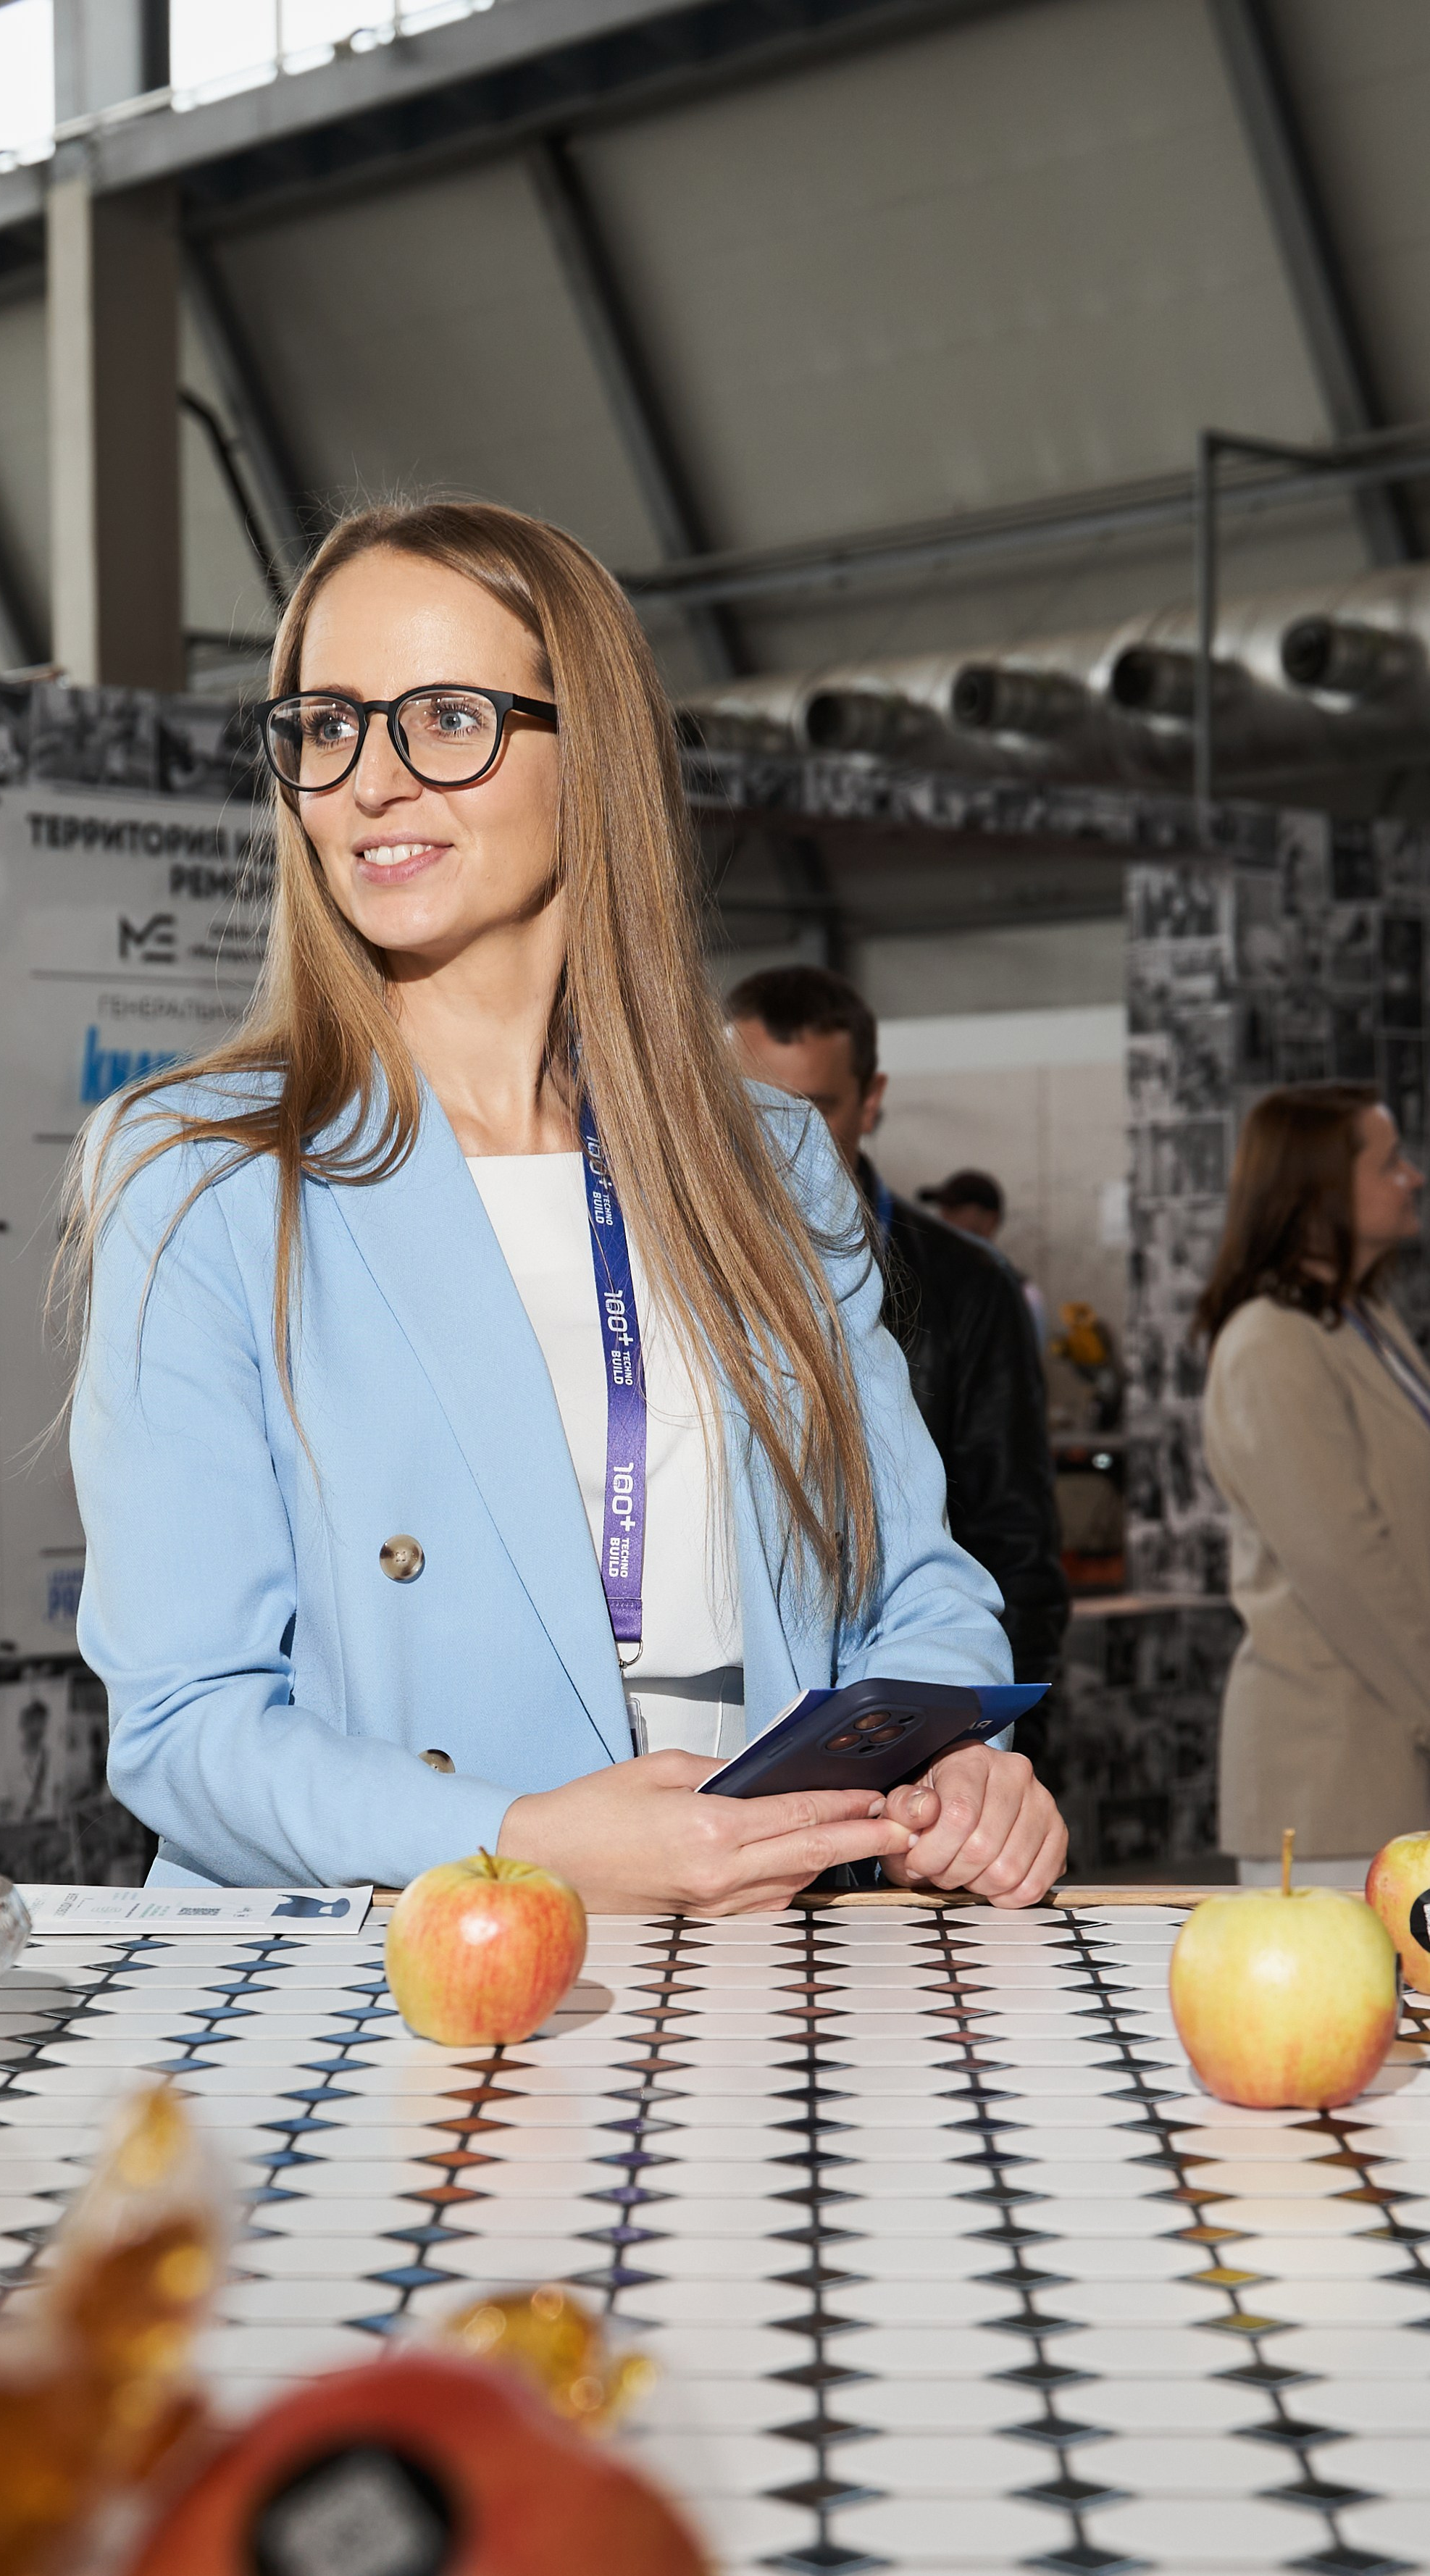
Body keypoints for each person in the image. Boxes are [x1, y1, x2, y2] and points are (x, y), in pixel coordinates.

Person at [68, 501, 1067, 1912]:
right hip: (396, 1981)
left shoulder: (771, 1160)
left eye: (447, 718)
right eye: (327, 724)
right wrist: (519, 1839)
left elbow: (910, 1581)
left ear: (587, 751)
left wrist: (955, 1755)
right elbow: (186, 1729)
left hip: (754, 1962)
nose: (370, 780)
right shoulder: (204, 1175)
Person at [726, 968, 1068, 1709]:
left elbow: (1014, 1537)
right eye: (750, 1102)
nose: (777, 1131)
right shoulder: (678, 1266)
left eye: (812, 1106)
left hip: (923, 1698)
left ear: (870, 1099)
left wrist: (986, 1732)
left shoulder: (967, 1284)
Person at [1197, 1083, 1430, 1881]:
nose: (1412, 1177)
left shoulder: (1362, 1320)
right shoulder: (1269, 1342)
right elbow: (1344, 1566)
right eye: (1389, 1163)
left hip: (1388, 1746)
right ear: (1319, 1185)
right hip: (1329, 1774)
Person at [919, 1166, 1049, 1349]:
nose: (943, 1217)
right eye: (943, 1209)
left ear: (990, 1220)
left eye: (955, 1209)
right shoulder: (930, 1286)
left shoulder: (1023, 1297)